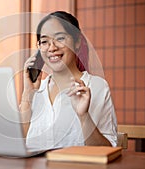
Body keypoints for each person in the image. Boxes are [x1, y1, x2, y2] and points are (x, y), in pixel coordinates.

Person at [20, 11, 117, 151]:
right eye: (45, 41)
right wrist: (27, 95)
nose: (52, 48)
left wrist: (84, 117)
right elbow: (19, 145)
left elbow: (108, 150)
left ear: (77, 42)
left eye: (59, 38)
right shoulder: (35, 91)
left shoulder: (97, 87)